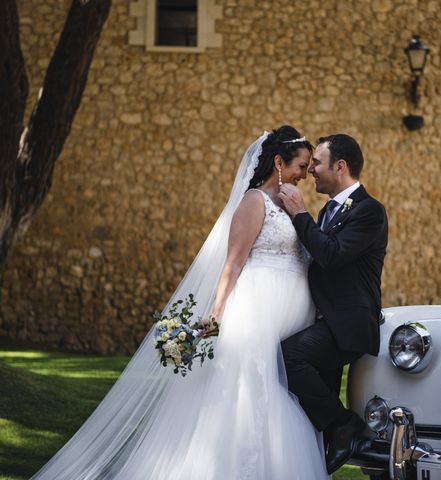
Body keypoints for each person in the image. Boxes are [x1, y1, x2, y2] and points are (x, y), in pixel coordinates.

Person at [30, 126, 328, 480]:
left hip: (291, 317)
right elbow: (232, 263)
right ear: (279, 162)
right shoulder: (254, 202)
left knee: (286, 386)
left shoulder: (294, 203)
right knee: (252, 392)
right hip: (256, 311)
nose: (304, 174)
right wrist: (215, 315)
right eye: (300, 166)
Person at [278, 133, 388, 473]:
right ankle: (324, 452)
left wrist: (298, 213)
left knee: (289, 357)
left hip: (349, 326)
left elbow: (331, 254)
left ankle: (346, 425)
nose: (311, 169)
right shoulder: (329, 210)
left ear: (340, 167)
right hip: (325, 322)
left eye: (317, 163)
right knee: (314, 426)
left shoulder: (369, 211)